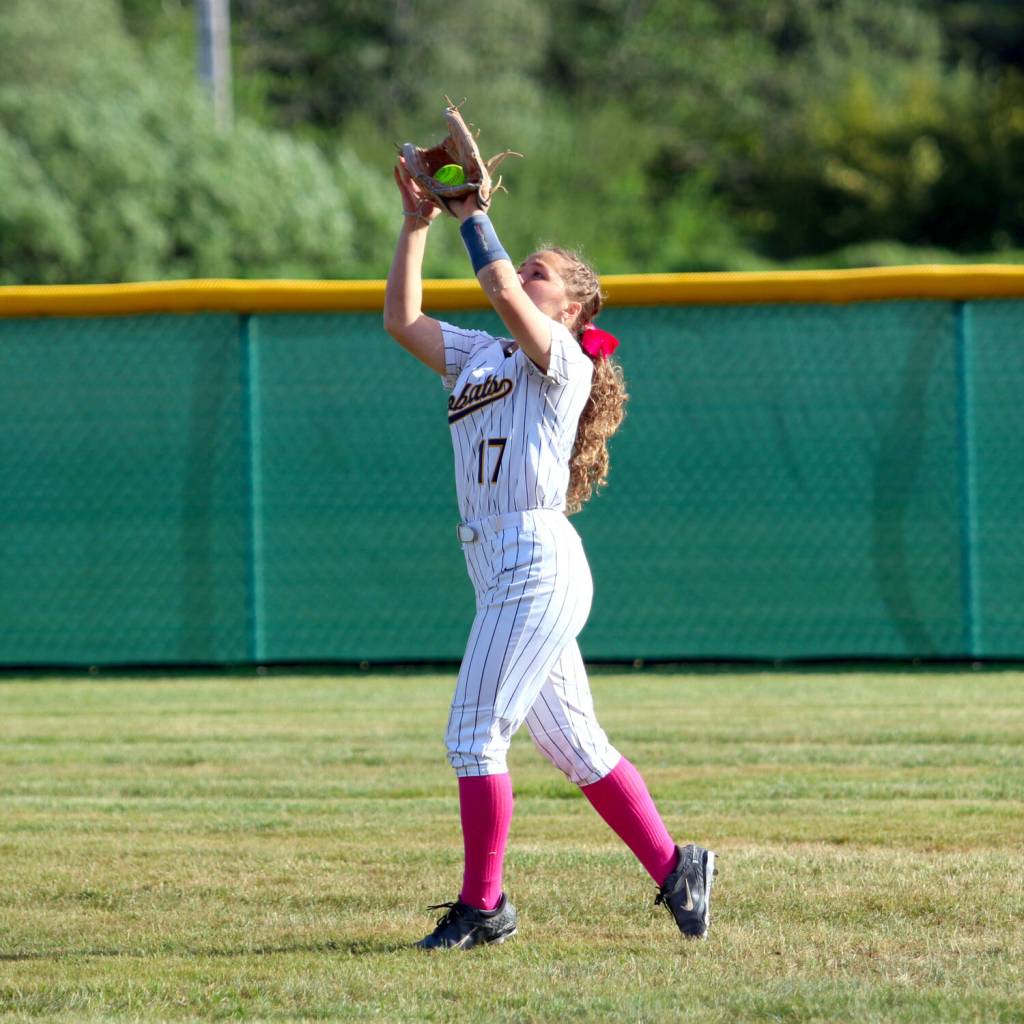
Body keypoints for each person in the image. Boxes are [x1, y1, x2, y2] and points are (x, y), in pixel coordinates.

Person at [383, 159, 716, 950]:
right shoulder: (478, 355)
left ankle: (483, 907)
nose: (523, 274)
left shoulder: (562, 360)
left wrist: (473, 215)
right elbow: (402, 321)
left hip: (535, 557)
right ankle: (678, 865)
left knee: (472, 734)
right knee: (573, 745)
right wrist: (417, 225)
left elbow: (497, 287)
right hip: (495, 562)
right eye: (525, 265)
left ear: (572, 308)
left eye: (543, 273)